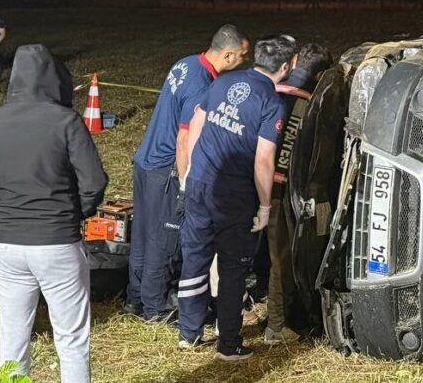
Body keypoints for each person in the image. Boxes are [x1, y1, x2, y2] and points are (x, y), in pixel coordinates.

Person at [0, 44, 108, 382]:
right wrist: (72, 212)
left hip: (8, 246)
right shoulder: (66, 120)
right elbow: (94, 182)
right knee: (71, 339)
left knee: (11, 338)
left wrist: (3, 205)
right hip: (58, 243)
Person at [177, 35, 296, 361]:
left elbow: (198, 122)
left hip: (200, 182)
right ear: (285, 67)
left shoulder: (223, 81)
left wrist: (190, 173)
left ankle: (188, 332)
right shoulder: (272, 102)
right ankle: (228, 343)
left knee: (195, 257)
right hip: (234, 195)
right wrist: (264, 206)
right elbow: (264, 160)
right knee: (232, 268)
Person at [126, 25, 250, 323]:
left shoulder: (185, 63)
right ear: (229, 54)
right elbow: (184, 139)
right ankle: (155, 307)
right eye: (243, 56)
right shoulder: (202, 86)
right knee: (163, 238)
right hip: (166, 166)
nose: (245, 61)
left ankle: (135, 297)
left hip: (146, 160)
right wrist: (185, 185)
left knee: (142, 232)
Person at [264, 43, 331, 345]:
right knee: (282, 258)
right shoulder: (307, 102)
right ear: (319, 75)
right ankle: (277, 325)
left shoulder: (272, 89)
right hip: (279, 192)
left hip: (247, 186)